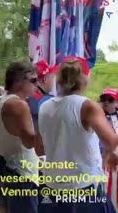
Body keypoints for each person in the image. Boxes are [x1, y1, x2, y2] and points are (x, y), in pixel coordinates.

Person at [38, 56, 118, 213]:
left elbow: (39, 150)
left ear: (58, 79)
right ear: (86, 79)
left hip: (52, 189)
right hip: (83, 190)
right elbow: (112, 141)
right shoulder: (87, 106)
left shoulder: (45, 107)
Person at [0, 61, 40, 213]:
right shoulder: (18, 105)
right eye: (33, 80)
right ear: (19, 81)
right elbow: (30, 142)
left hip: (5, 169)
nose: (36, 85)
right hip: (21, 173)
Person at [100, 88, 118, 210]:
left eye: (110, 100)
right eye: (103, 99)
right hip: (102, 161)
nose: (106, 102)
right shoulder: (97, 118)